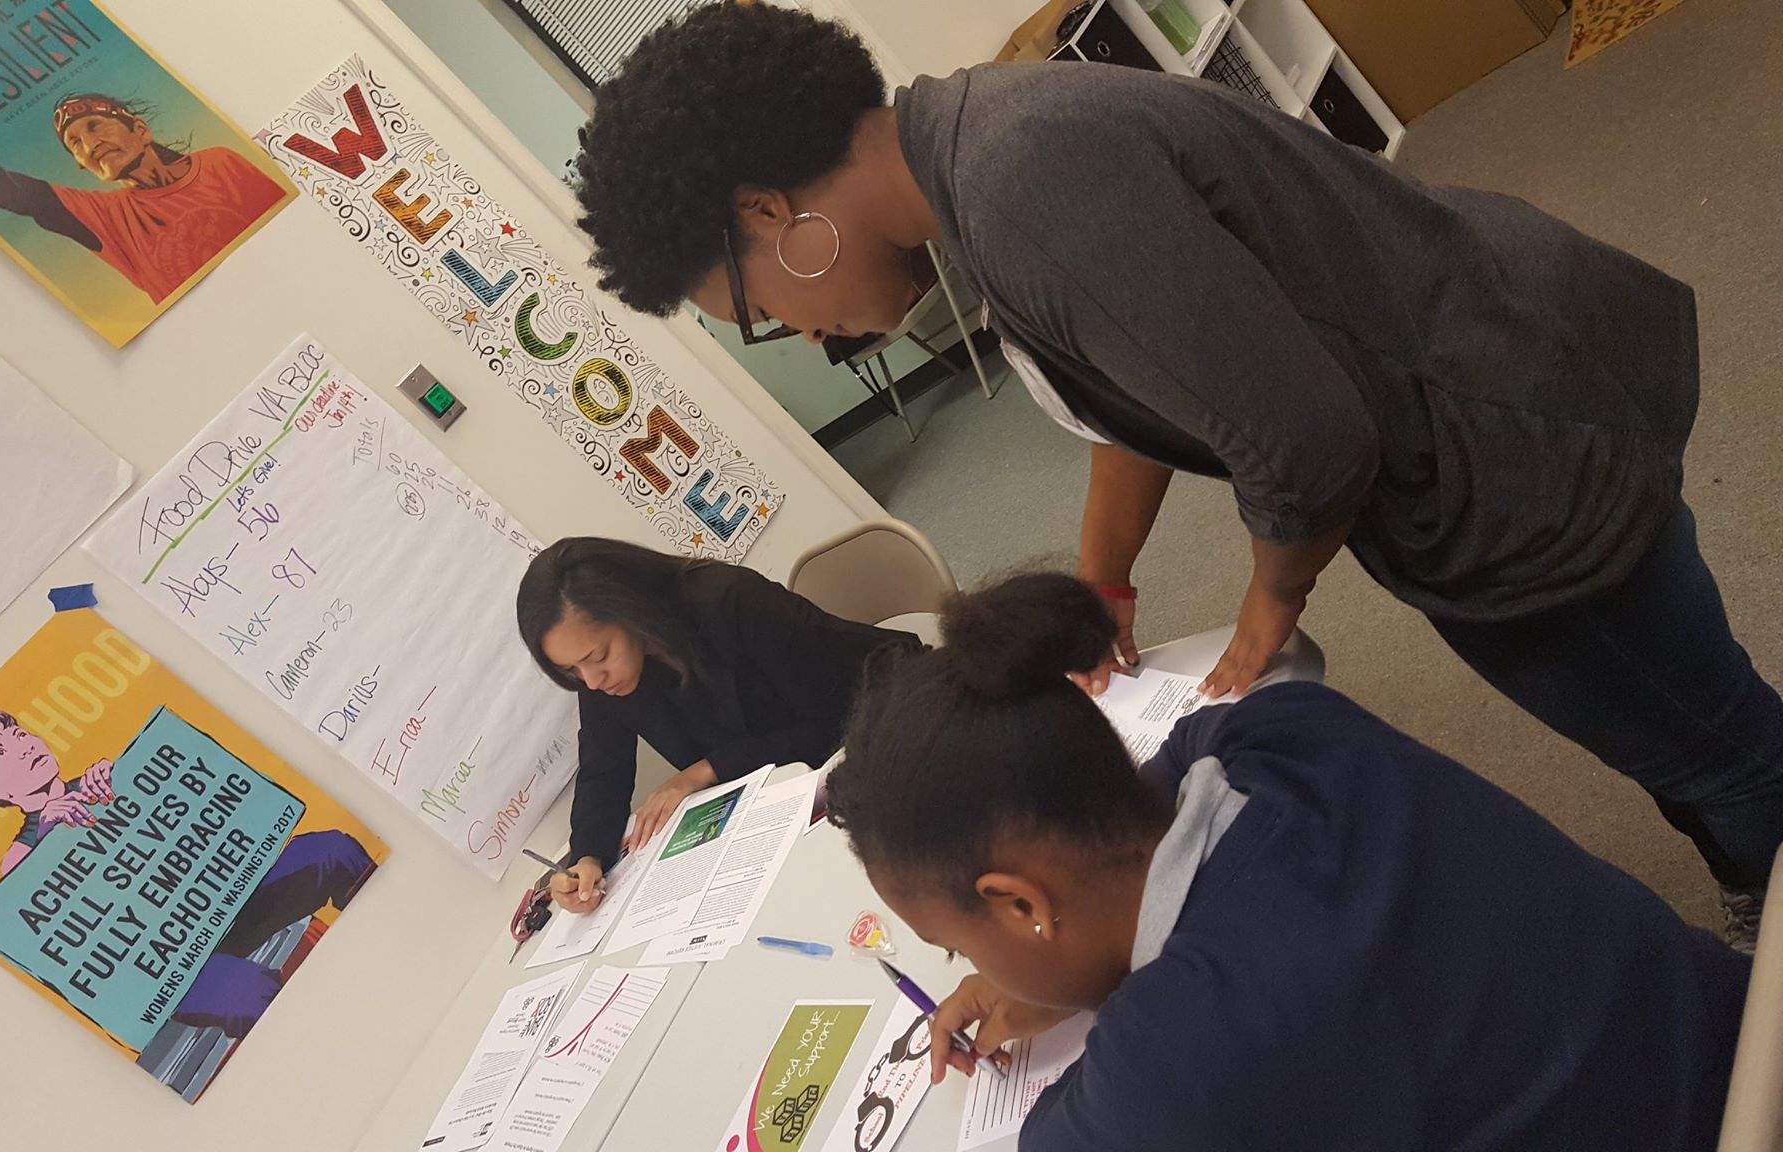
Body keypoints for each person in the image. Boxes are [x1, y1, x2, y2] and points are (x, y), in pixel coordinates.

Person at [568, 1, 1783, 948]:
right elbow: (1141, 388)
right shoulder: (968, 156)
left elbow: (1306, 444)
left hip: (1508, 446)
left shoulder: (1020, 187)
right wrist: (1102, 587)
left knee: (1708, 741)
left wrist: (1264, 616)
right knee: (1668, 724)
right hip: (1468, 402)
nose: (802, 332)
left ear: (770, 213)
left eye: (756, 312)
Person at [826, 574, 1750, 1150]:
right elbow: (1173, 758)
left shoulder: (1165, 1064)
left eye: (961, 947)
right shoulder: (1280, 728)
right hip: (1737, 1030)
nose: (975, 970)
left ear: (1022, 904)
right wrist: (1043, 969)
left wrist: (1069, 984)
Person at [516, 537, 918, 913]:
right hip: (792, 786)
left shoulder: (728, 600)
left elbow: (832, 719)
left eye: (598, 656)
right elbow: (603, 768)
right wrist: (587, 858)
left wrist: (706, 771)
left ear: (631, 612)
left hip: (892, 719)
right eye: (571, 670)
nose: (590, 681)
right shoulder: (601, 679)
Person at [0, 709, 375, 1036]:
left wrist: (126, 777)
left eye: (19, 734)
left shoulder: (105, 778)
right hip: (169, 965)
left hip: (220, 904)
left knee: (329, 850)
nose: (24, 746)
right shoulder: (18, 857)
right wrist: (49, 834)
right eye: (0, 752)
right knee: (244, 990)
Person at [0, 29, 285, 304]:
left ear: (140, 129)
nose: (89, 144)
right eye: (75, 144)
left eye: (94, 126)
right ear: (84, 168)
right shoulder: (103, 217)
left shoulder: (221, 163)